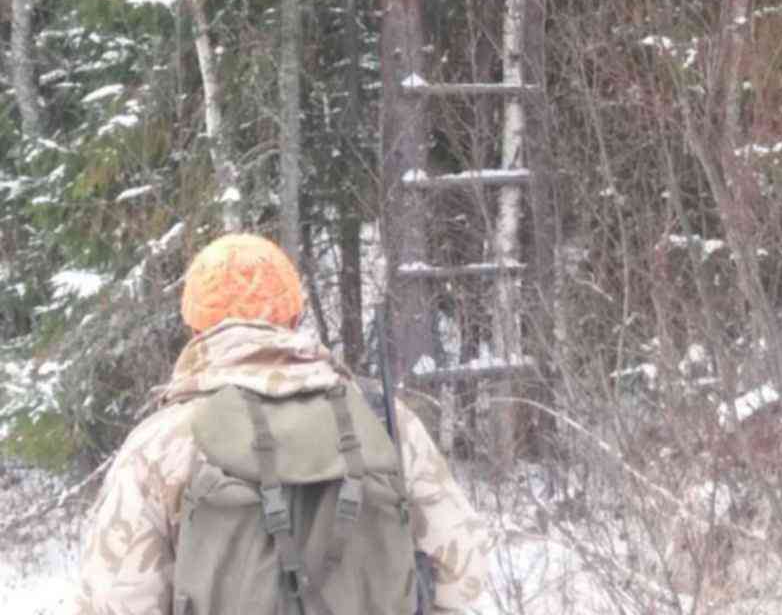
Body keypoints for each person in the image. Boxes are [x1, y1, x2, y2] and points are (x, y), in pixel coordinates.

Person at [74, 233, 492, 614]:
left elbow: (114, 598)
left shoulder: (163, 442)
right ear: (293, 317)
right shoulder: (384, 421)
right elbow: (463, 574)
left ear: (195, 326)